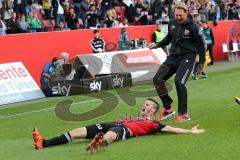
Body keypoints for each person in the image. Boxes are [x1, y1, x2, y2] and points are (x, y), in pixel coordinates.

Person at [33, 98, 205, 152]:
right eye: (144, 104)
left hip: (125, 130)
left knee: (115, 132)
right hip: (113, 123)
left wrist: (189, 131)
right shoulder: (132, 116)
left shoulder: (153, 123)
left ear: (153, 110)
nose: (144, 105)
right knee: (78, 131)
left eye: (147, 105)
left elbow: (169, 129)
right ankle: (44, 143)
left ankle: (99, 143)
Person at [149, 3, 206, 122]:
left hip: (188, 57)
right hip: (173, 57)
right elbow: (169, 38)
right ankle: (168, 109)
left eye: (180, 15)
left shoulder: (194, 27)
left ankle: (184, 113)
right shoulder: (172, 22)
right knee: (157, 79)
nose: (178, 17)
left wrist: (201, 62)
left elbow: (201, 45)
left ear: (186, 13)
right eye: (176, 14)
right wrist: (157, 44)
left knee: (179, 82)